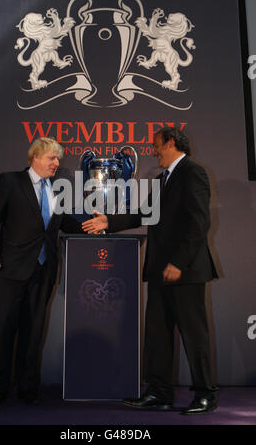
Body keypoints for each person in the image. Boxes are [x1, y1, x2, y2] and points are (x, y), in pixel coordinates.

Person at [82, 127, 218, 415]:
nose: (153, 151)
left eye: (156, 146)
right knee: (157, 335)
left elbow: (198, 224)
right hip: (158, 271)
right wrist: (109, 221)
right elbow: (144, 213)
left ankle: (206, 395)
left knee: (195, 335)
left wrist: (179, 263)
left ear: (171, 143)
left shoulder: (193, 173)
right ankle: (159, 393)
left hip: (186, 271)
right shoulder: (161, 179)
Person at [0, 137, 81, 409]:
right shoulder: (10, 181)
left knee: (34, 332)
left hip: (44, 270)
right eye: (52, 159)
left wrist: (94, 225)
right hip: (10, 269)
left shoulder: (56, 189)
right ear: (36, 157)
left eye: (58, 159)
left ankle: (28, 388)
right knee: (3, 331)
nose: (57, 164)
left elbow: (64, 221)